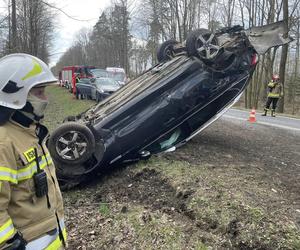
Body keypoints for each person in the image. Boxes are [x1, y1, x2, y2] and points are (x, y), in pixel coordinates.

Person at [0, 53, 67, 250]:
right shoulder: (4, 142)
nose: (45, 98)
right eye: (39, 92)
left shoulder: (31, 132)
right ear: (15, 95)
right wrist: (10, 244)